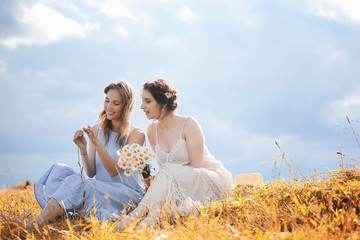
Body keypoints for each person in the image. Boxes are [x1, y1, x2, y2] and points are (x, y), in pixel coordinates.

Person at [27, 80, 146, 229]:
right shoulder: (97, 130)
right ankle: (51, 215)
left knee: (82, 184)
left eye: (116, 103)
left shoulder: (136, 135)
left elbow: (114, 171)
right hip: (99, 188)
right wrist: (83, 149)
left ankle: (36, 223)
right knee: (60, 170)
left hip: (127, 195)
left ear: (126, 107)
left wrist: (97, 144)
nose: (108, 107)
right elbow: (91, 172)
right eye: (107, 100)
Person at [119, 79, 234, 228]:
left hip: (207, 178)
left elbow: (195, 167)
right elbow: (164, 170)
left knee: (169, 172)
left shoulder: (189, 124)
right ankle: (144, 225)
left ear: (163, 103)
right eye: (142, 101)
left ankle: (135, 216)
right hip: (181, 182)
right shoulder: (151, 131)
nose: (142, 106)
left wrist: (164, 176)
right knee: (163, 199)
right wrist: (153, 179)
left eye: (147, 101)